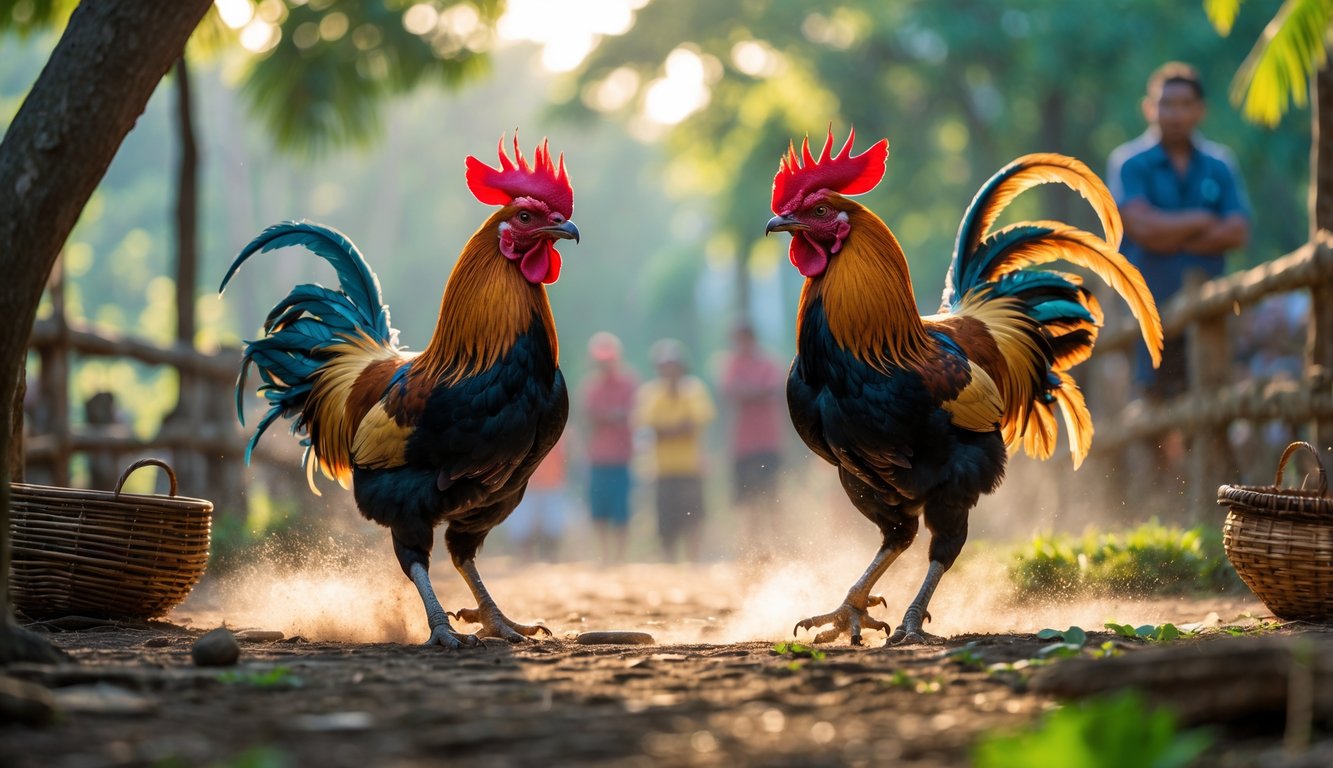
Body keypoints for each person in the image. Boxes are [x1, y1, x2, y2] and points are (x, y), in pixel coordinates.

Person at [1107, 61, 1251, 402]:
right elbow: (1142, 228)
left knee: (1212, 393)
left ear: (1200, 111)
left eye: (1185, 105)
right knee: (1152, 398)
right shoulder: (1129, 163)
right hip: (1147, 311)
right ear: (1149, 108)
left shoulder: (1219, 165)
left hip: (1209, 310)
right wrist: (1203, 220)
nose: (1175, 114)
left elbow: (1238, 231)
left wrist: (1168, 230)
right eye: (1166, 104)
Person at [634, 338, 715, 562]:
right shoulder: (650, 394)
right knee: (666, 522)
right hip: (662, 468)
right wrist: (678, 428)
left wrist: (667, 430)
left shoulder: (694, 389)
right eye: (665, 366)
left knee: (694, 518)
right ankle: (670, 563)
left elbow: (692, 426)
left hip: (691, 466)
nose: (669, 371)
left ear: (681, 367)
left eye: (673, 366)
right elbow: (650, 428)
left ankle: (694, 561)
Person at [718, 321, 786, 558]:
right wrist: (754, 392)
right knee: (746, 501)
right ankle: (751, 550)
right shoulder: (731, 363)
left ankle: (774, 549)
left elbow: (769, 390)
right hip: (742, 444)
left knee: (771, 498)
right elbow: (732, 391)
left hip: (768, 442)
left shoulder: (768, 362)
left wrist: (747, 392)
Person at [580, 332, 638, 564]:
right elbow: (589, 417)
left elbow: (633, 413)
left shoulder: (628, 383)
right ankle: (604, 555)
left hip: (622, 456)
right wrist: (612, 416)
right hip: (598, 456)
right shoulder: (591, 386)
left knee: (621, 510)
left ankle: (620, 557)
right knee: (600, 509)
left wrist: (607, 416)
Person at [504, 435, 569, 561]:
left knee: (551, 526)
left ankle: (550, 557)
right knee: (524, 526)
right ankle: (526, 557)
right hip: (527, 485)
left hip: (551, 483)